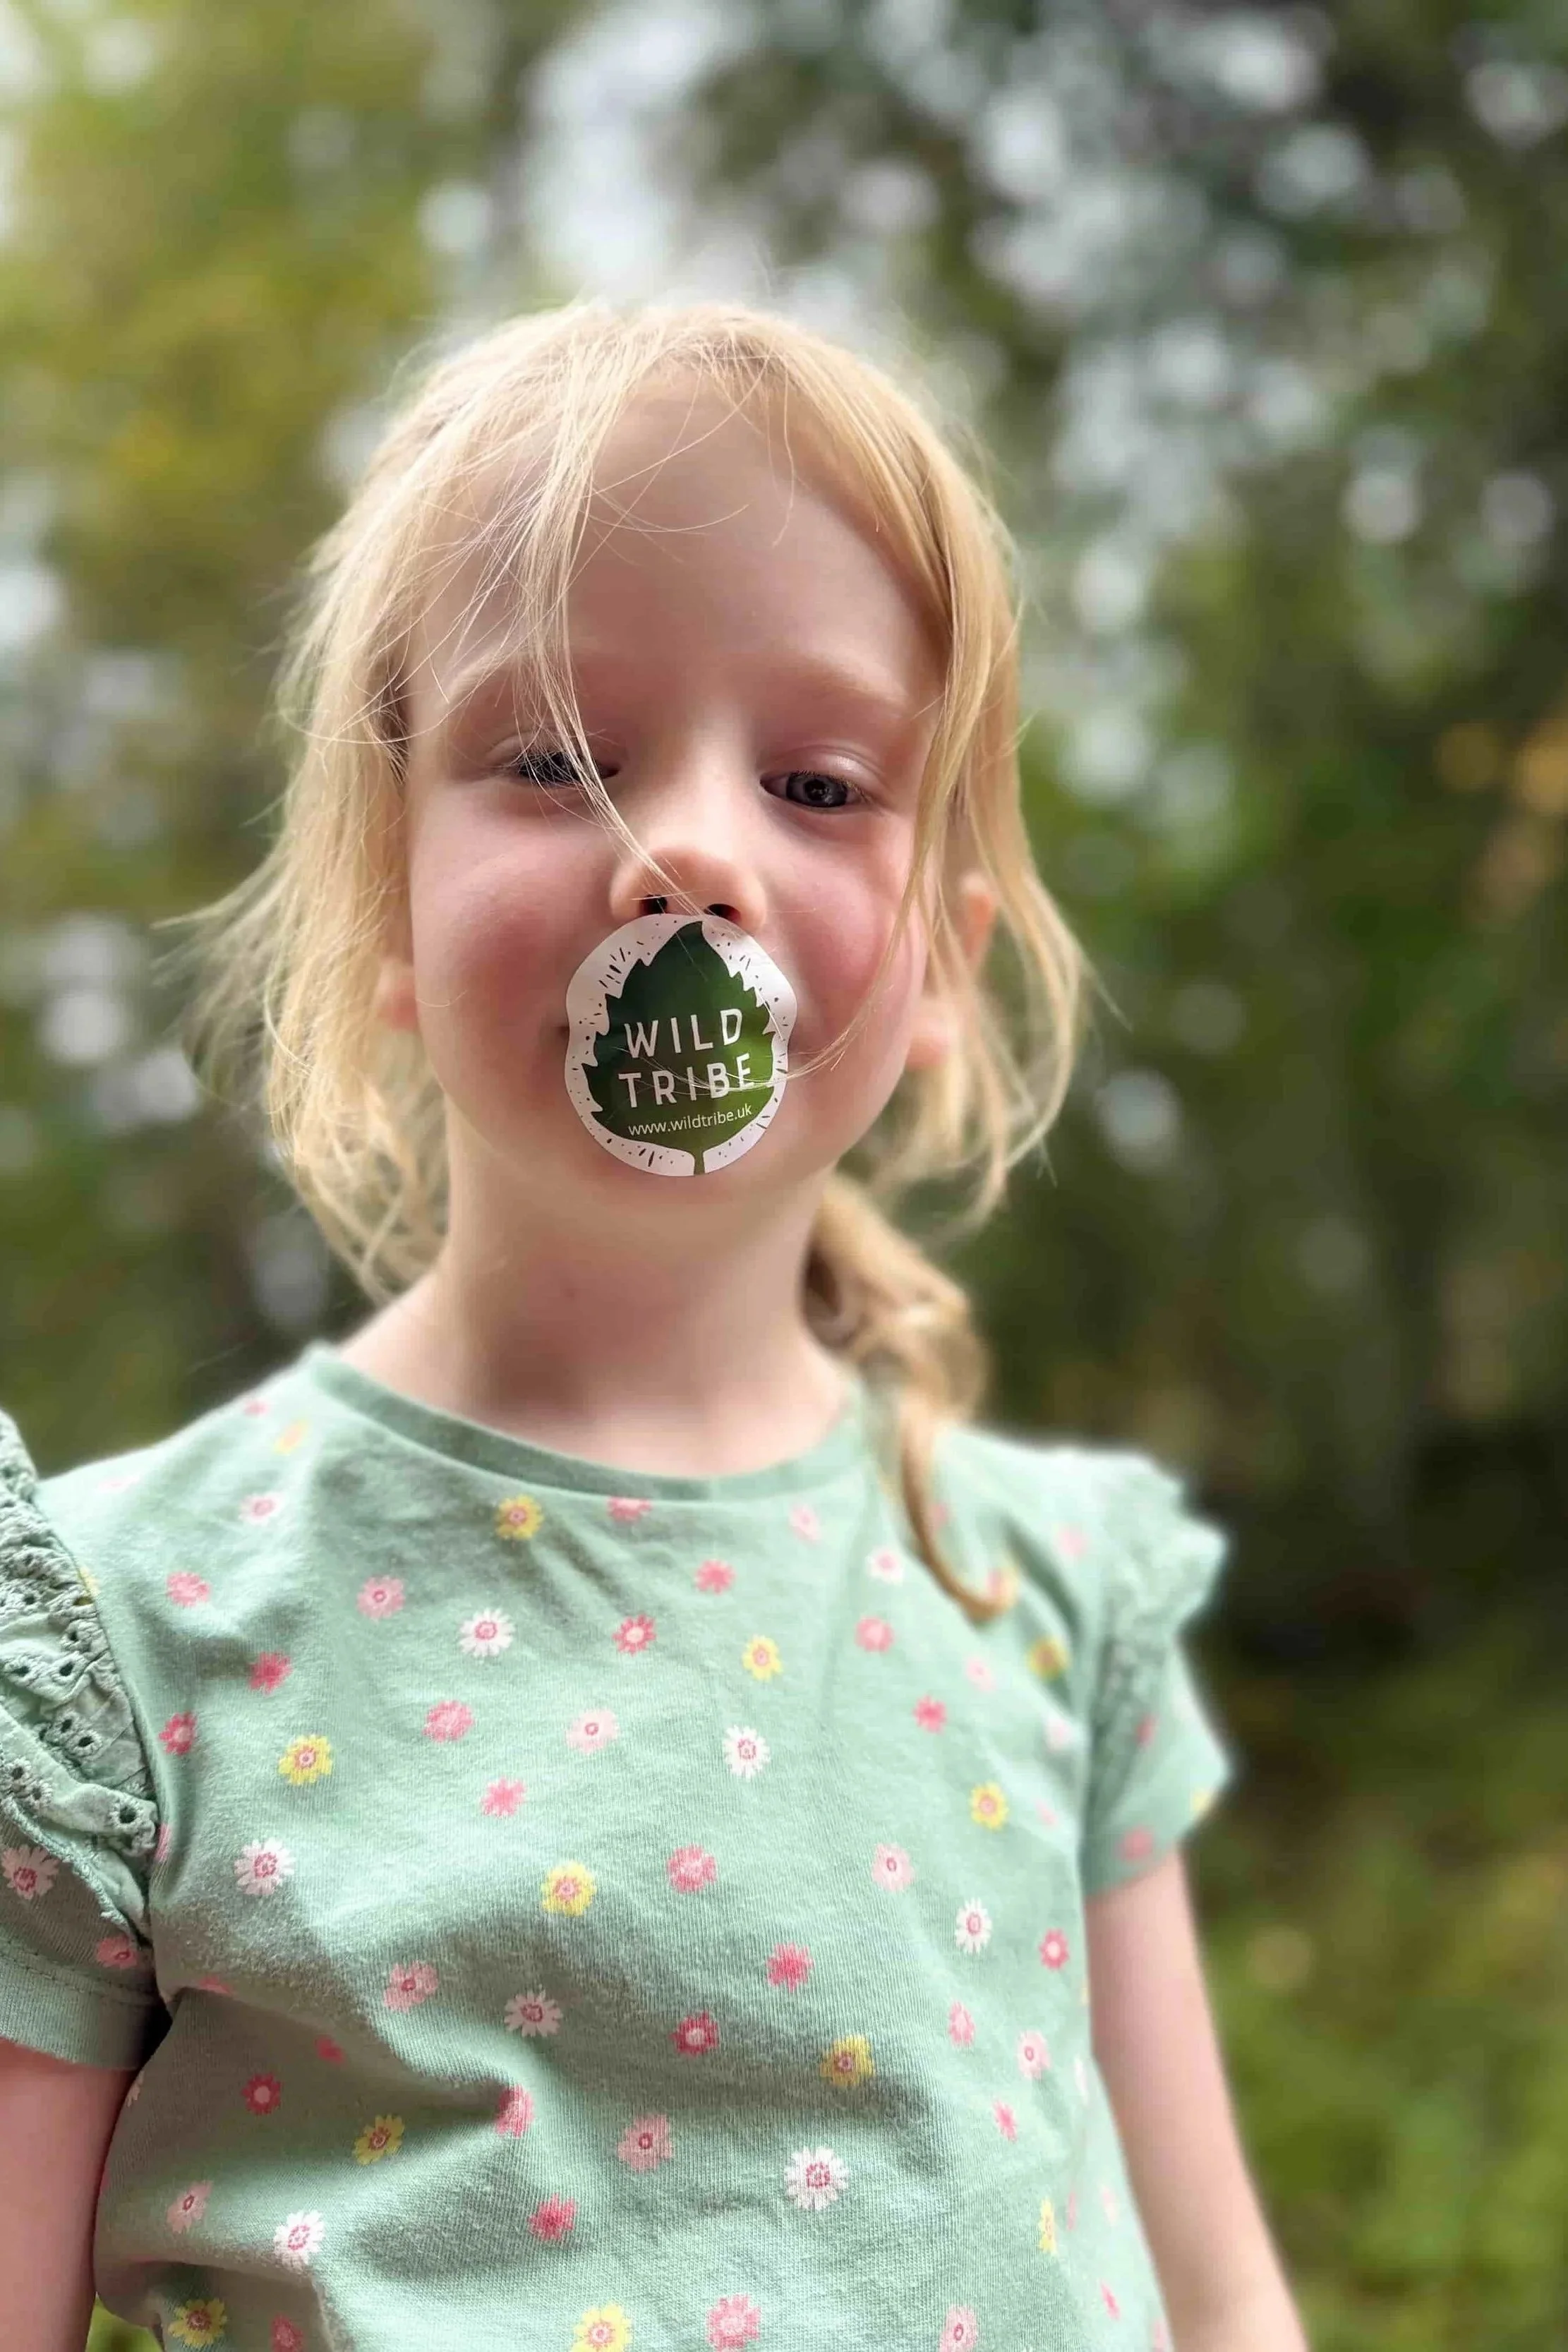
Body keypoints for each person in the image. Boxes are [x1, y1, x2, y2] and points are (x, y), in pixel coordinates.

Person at [0, 301, 1309, 2352]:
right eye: (552, 759)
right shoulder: (113, 1630)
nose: (687, 846)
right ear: (383, 916)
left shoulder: (1050, 1597)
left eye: (817, 777)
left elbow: (1221, 2300)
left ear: (939, 968)